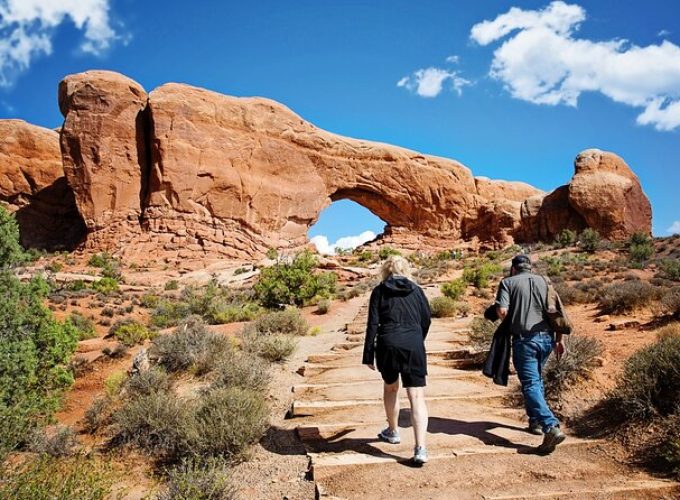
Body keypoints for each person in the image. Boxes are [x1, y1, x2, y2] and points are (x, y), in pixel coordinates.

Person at [363, 255, 432, 465]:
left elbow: (373, 324)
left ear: (386, 271)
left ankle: (393, 431)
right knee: (417, 396)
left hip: (388, 343)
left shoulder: (379, 291)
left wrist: (368, 354)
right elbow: (426, 319)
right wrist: (417, 340)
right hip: (413, 344)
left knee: (391, 388)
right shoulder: (417, 290)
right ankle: (420, 448)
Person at [495, 254, 566, 454]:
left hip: (525, 340)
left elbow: (502, 311)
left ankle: (550, 426)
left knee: (531, 383)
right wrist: (559, 341)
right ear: (530, 267)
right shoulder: (545, 281)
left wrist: (510, 321)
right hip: (547, 339)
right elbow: (557, 313)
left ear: (514, 268)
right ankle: (534, 422)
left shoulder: (507, 282)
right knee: (537, 379)